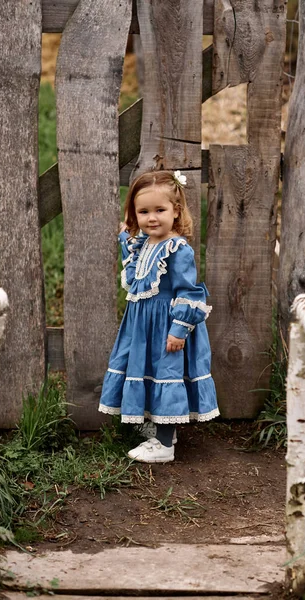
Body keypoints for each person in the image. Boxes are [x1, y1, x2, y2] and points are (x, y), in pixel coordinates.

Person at [98, 170, 219, 463]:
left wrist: (179, 328)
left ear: (176, 212)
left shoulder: (178, 249)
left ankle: (164, 446)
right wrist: (125, 235)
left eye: (160, 210)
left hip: (166, 325)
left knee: (167, 373)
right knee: (146, 369)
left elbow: (189, 291)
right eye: (143, 212)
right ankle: (162, 427)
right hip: (141, 326)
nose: (152, 218)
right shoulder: (144, 243)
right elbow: (132, 253)